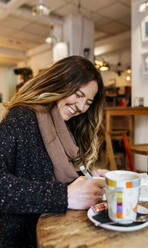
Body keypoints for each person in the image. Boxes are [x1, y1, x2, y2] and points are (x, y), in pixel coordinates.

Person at [0, 55, 107, 248]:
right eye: (79, 95)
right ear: (59, 83)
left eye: (89, 103)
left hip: (56, 228)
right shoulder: (21, 118)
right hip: (22, 238)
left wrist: (88, 176)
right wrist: (63, 196)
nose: (82, 108)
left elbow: (54, 173)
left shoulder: (63, 125)